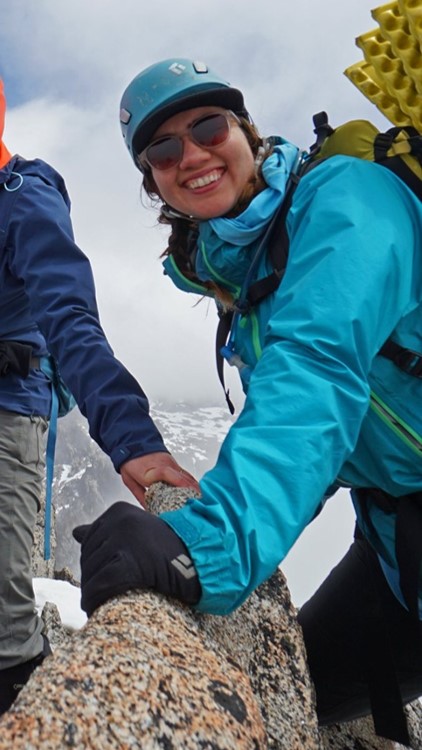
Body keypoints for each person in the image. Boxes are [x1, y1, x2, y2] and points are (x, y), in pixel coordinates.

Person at [74, 59, 422, 743]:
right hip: (395, 541)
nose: (191, 155)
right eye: (163, 150)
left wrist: (203, 546)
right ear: (152, 182)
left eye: (208, 127)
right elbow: (331, 431)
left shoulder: (347, 198)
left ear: (247, 131)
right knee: (290, 686)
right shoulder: (244, 272)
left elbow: (317, 373)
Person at [0, 76, 199, 715]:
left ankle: (28, 704)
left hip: (10, 409)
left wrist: (131, 438)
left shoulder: (23, 198)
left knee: (2, 614)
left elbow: (70, 319)